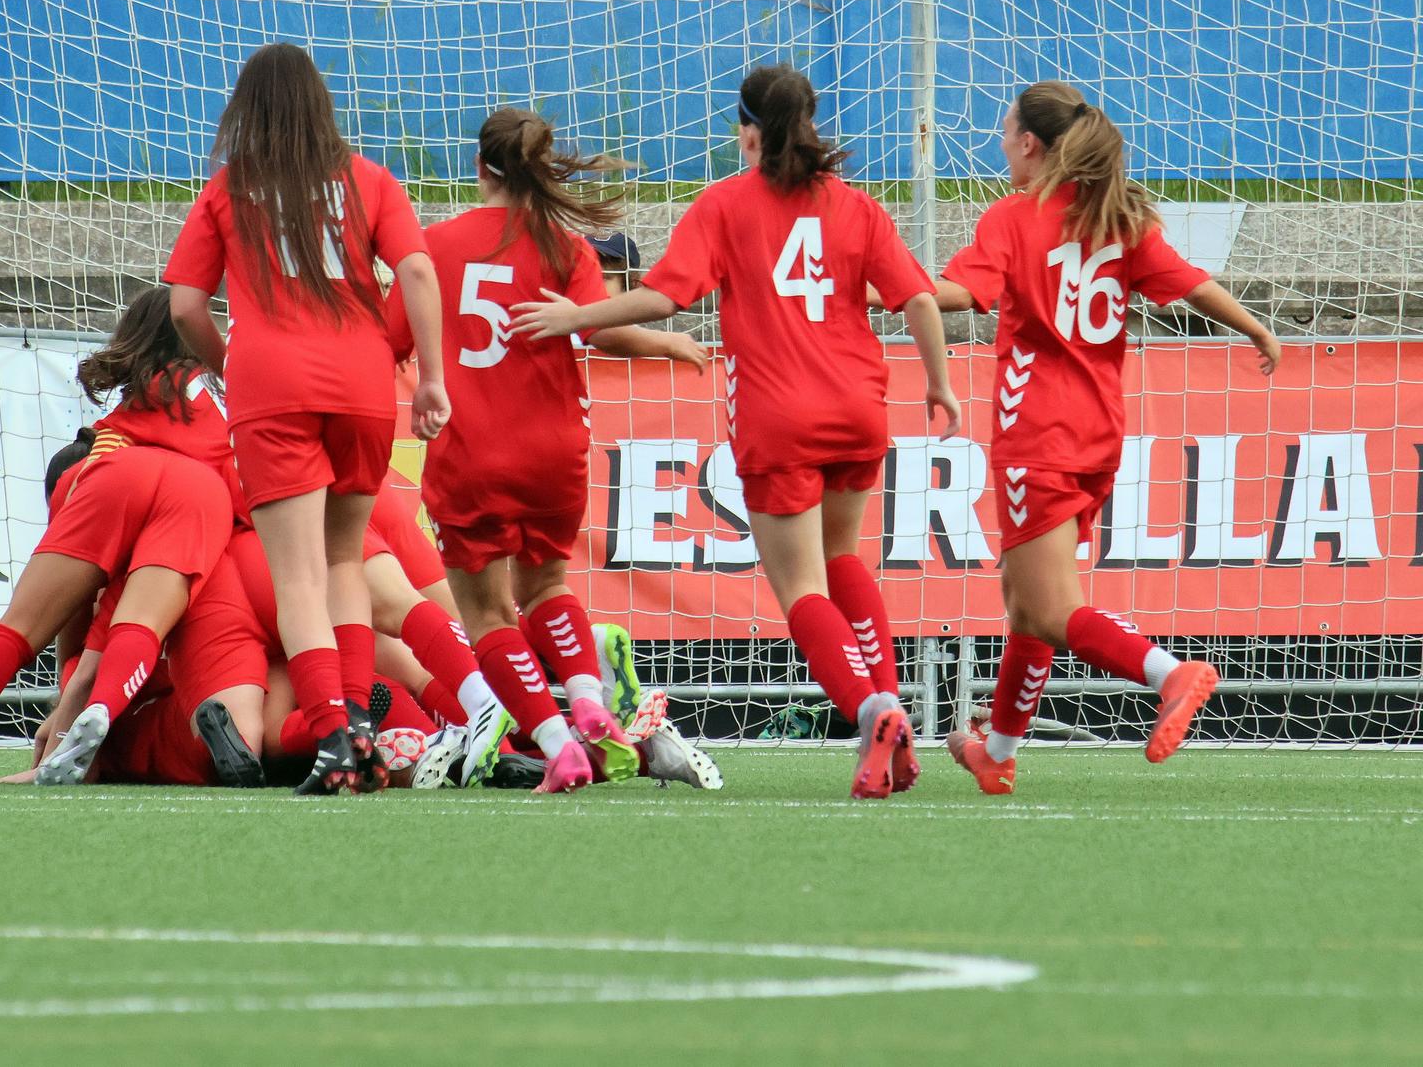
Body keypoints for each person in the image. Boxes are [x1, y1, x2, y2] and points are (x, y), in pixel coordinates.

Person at [513, 65, 959, 800]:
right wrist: (939, 381)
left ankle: (871, 709)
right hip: (858, 409)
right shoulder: (855, 206)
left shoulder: (725, 204)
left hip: (780, 418)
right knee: (845, 557)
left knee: (802, 588)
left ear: (748, 129)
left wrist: (576, 317)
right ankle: (893, 714)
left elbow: (661, 297)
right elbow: (917, 296)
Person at [932, 82, 1279, 794]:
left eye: (1006, 132)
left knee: (1050, 607)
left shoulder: (1014, 217)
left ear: (1031, 142)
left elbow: (960, 293)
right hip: (1098, 432)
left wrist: (869, 286)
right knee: (1027, 600)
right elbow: (1188, 283)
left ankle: (1169, 672)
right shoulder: (1116, 215)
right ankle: (996, 752)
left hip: (1038, 432)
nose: (1001, 144)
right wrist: (1253, 324)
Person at [389, 106, 707, 793]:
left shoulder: (432, 246)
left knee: (486, 615)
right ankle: (591, 702)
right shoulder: (565, 247)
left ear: (480, 169)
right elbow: (602, 331)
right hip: (555, 450)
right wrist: (670, 342)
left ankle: (559, 742)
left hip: (473, 451)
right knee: (548, 588)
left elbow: (386, 341)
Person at [165, 43, 450, 795]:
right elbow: (419, 270)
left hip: (273, 388)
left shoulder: (230, 189)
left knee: (296, 578)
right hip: (362, 382)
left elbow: (184, 308)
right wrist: (432, 377)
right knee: (346, 563)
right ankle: (356, 721)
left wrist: (233, 362)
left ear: (246, 111)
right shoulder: (369, 179)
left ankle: (332, 731)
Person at [0, 306, 237, 785]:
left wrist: (68, 690)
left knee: (17, 628)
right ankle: (103, 714)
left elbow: (81, 622)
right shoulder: (229, 394)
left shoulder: (127, 414)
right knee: (141, 627)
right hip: (201, 491)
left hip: (110, 470)